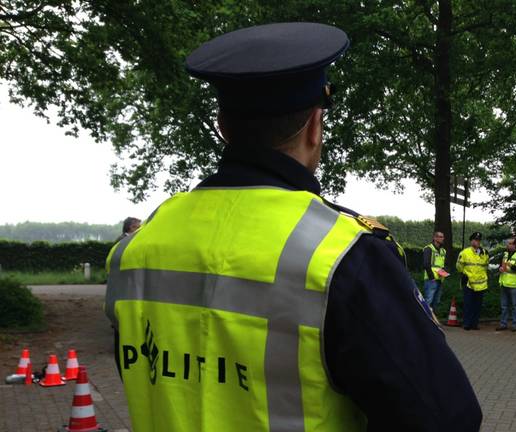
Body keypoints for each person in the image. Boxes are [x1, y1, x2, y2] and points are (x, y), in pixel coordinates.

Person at [105, 23, 481, 431]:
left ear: (222, 126)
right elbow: (447, 418)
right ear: (315, 126)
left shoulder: (136, 249)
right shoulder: (345, 255)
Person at [457, 232, 489, 331]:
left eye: (479, 240)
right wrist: (465, 275)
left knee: (477, 305)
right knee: (468, 304)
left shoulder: (485, 253)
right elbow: (458, 267)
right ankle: (466, 324)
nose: (477, 242)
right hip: (469, 283)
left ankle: (475, 324)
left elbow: (486, 266)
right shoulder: (465, 252)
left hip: (481, 283)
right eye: (475, 240)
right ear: (471, 241)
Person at [496, 238, 516, 331]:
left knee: (515, 306)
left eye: (510, 243)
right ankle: (503, 324)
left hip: (514, 285)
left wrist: (511, 266)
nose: (508, 245)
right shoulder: (505, 254)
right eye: (508, 243)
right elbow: (500, 266)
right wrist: (500, 269)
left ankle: (515, 325)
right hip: (504, 283)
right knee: (504, 306)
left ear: (515, 245)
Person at [422, 231, 448, 311]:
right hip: (431, 279)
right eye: (440, 237)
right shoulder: (428, 249)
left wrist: (445, 271)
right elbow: (426, 264)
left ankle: (433, 321)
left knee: (436, 302)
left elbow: (442, 265)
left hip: (440, 279)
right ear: (434, 238)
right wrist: (431, 277)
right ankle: (425, 321)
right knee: (428, 301)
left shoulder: (443, 251)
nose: (442, 238)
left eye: (442, 237)